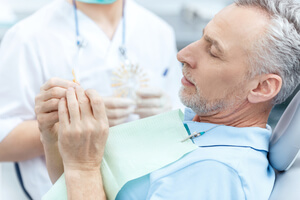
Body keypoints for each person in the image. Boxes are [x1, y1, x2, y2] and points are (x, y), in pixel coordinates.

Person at [38, 0, 300, 199]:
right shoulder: (199, 128)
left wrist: (83, 166)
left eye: (213, 51)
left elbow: (83, 177)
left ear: (263, 87)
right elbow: (73, 188)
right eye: (201, 37)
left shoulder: (215, 173)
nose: (183, 54)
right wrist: (56, 138)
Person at [0, 0, 182, 199]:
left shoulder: (159, 31)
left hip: (143, 191)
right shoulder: (28, 36)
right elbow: (3, 141)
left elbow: (185, 122)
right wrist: (70, 124)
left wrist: (166, 116)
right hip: (58, 190)